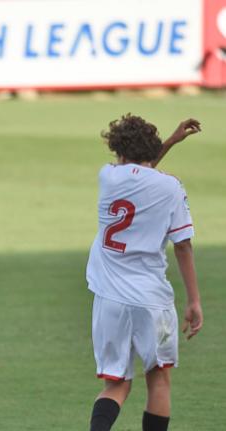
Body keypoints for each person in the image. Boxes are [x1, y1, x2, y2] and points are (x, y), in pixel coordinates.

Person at [86, 116, 203, 431]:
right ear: (151, 149)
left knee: (116, 384)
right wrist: (194, 300)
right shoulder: (171, 187)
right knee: (159, 379)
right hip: (152, 300)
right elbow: (182, 246)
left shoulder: (108, 176)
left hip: (109, 297)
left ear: (117, 150)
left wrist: (169, 143)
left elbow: (136, 173)